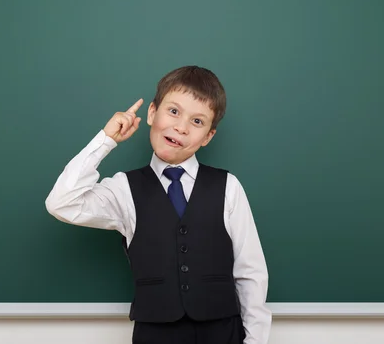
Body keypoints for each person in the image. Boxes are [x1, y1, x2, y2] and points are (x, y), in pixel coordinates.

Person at [45, 66, 271, 344]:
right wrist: (106, 141)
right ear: (152, 113)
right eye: (173, 112)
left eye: (197, 122)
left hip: (223, 332)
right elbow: (62, 203)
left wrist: (255, 340)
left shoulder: (228, 187)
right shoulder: (123, 189)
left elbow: (250, 271)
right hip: (155, 334)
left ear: (208, 137)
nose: (181, 127)